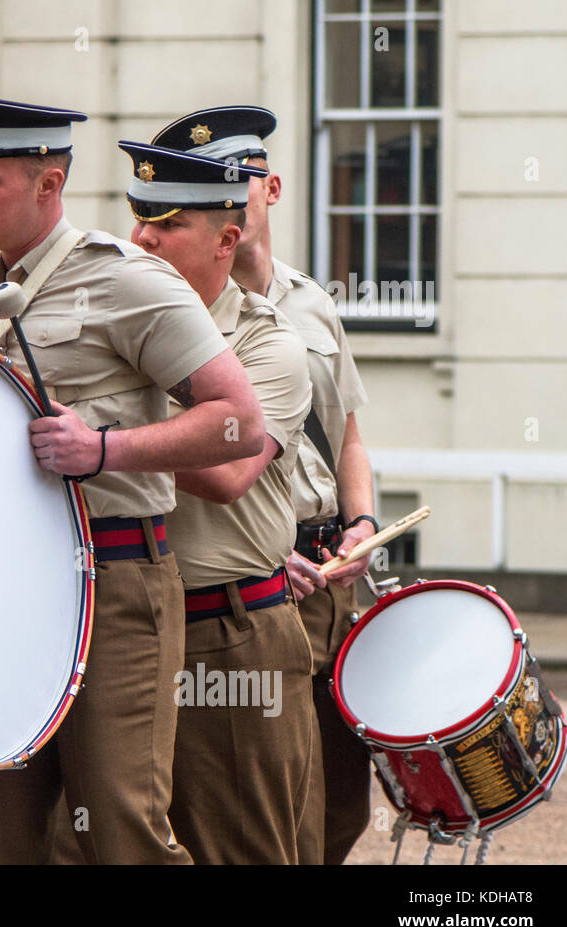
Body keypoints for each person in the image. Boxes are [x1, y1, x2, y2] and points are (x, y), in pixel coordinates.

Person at [0, 93, 264, 864]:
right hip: (4, 590)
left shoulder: (128, 280)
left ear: (47, 185)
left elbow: (239, 422)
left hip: (117, 582)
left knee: (123, 830)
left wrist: (105, 449)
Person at [152, 106, 376, 863]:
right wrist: (268, 554)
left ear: (268, 187)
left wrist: (364, 521)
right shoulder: (175, 315)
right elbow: (222, 475)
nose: (230, 194)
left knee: (342, 792)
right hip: (264, 573)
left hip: (332, 571)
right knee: (274, 801)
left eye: (238, 178)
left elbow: (346, 430)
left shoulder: (313, 301)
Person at [118, 140, 315, 864]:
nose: (142, 237)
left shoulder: (271, 346)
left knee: (238, 848)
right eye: (139, 216)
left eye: (167, 222)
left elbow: (229, 469)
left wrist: (101, 441)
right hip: (128, 626)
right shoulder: (120, 328)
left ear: (227, 239)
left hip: (226, 630)